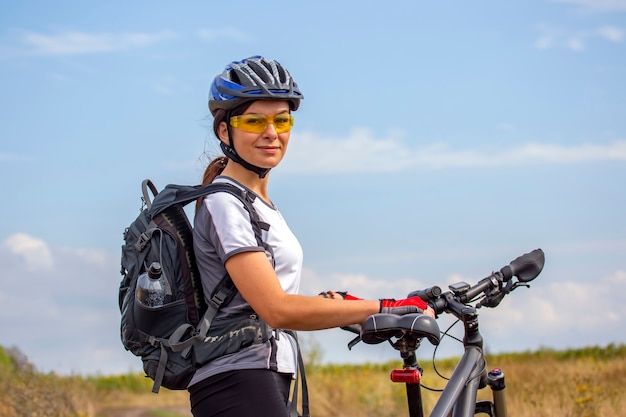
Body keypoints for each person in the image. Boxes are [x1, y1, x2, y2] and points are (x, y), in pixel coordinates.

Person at [190, 55, 435, 417]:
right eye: (255, 120)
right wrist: (383, 306)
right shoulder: (224, 203)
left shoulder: (258, 204)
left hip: (259, 378)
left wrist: (339, 305)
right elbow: (276, 309)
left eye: (282, 119)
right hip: (238, 383)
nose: (271, 132)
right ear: (225, 131)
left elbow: (264, 302)